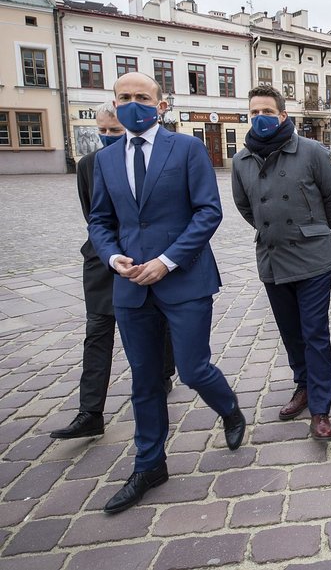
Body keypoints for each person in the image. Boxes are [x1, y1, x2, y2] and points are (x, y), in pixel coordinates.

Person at [88, 72, 245, 514]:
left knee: (193, 369)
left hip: (184, 280)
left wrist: (167, 261)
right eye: (124, 98)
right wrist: (113, 257)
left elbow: (207, 211)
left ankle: (229, 409)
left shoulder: (188, 149)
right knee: (145, 379)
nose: (132, 103)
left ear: (161, 105)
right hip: (130, 285)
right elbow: (101, 220)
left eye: (142, 97)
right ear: (114, 104)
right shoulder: (107, 158)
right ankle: (150, 464)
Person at [51, 103, 176, 441]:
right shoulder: (89, 165)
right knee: (98, 332)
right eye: (102, 131)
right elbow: (93, 217)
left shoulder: (153, 160)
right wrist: (109, 253)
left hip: (145, 258)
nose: (107, 137)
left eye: (114, 132)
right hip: (102, 261)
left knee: (155, 319)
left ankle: (164, 373)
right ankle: (90, 412)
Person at [232, 85, 331, 439]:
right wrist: (273, 230)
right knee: (290, 331)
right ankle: (304, 384)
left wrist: (312, 230)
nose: (260, 118)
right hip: (272, 258)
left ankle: (321, 407)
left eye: (267, 111)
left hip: (312, 258)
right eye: (253, 113)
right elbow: (245, 206)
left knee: (314, 332)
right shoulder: (241, 160)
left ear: (282, 115)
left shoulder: (311, 151)